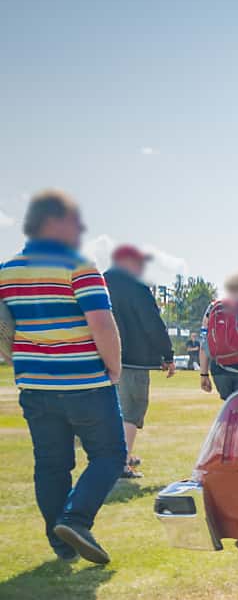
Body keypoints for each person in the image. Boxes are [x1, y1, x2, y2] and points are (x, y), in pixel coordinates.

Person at [0, 190, 125, 564]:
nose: (81, 229)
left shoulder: (6, 272)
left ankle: (62, 546)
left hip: (35, 386)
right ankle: (76, 520)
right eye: (74, 221)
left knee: (51, 465)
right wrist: (114, 367)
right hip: (85, 382)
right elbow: (101, 323)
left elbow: (4, 331)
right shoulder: (78, 266)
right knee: (110, 455)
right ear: (54, 222)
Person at [104, 243, 174, 477]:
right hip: (132, 360)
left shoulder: (98, 283)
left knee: (110, 412)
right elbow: (152, 325)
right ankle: (121, 464)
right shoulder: (136, 288)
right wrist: (167, 354)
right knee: (131, 412)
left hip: (99, 358)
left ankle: (117, 457)